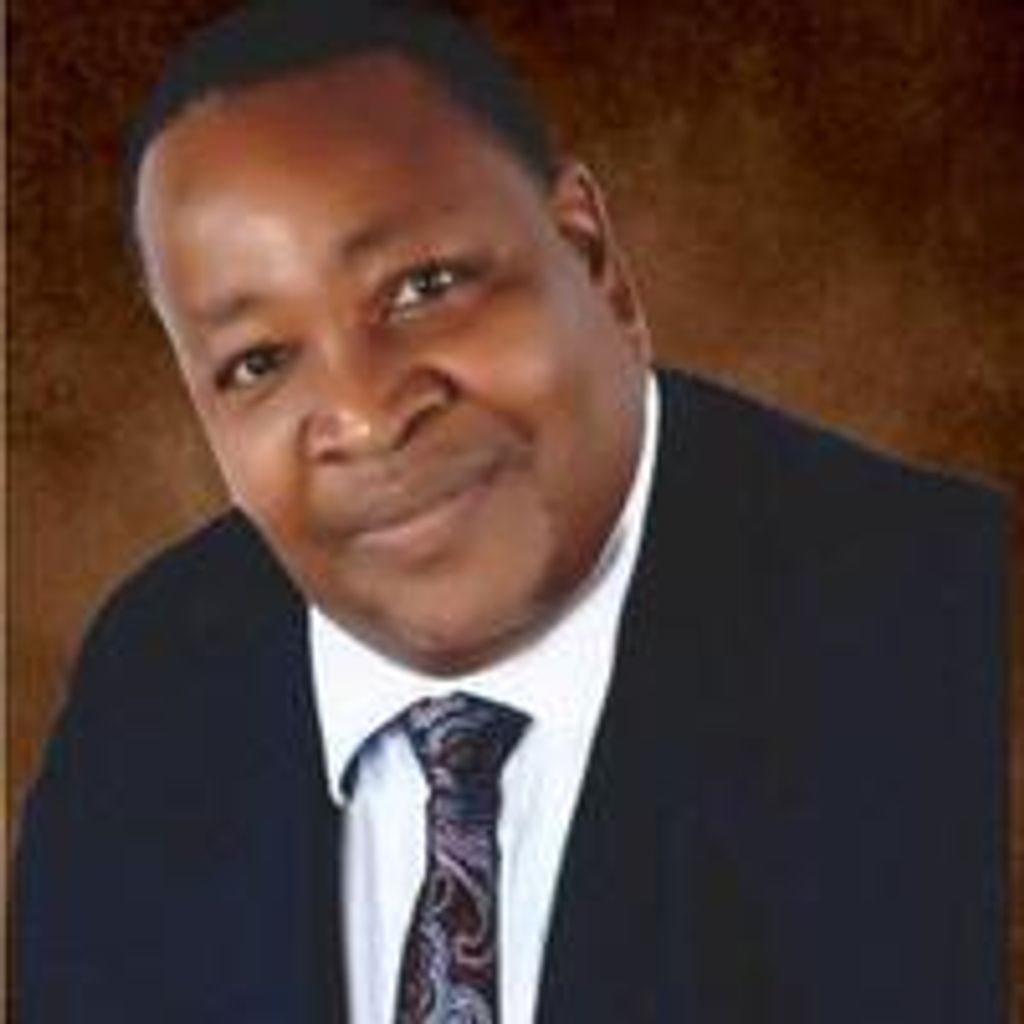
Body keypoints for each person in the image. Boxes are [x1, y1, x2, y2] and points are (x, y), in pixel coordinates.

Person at [14, 2, 1006, 1021]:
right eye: (258, 361)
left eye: (425, 286)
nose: (367, 415)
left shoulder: (956, 629)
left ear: (590, 258)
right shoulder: (152, 693)